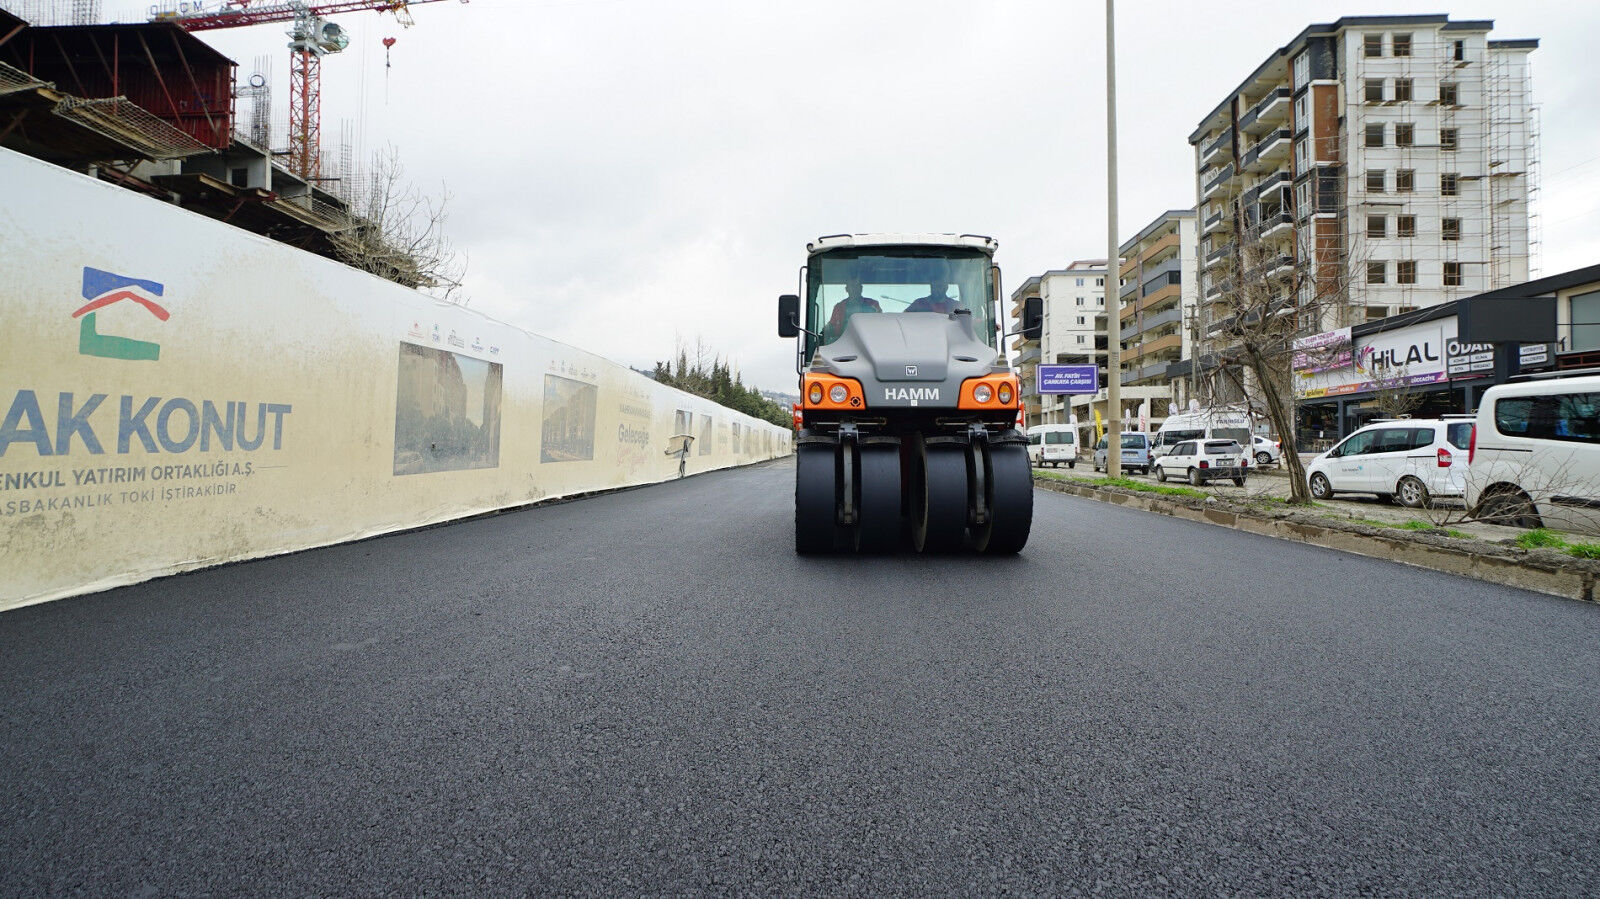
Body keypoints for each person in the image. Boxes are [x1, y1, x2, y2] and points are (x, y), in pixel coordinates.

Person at [824, 275, 881, 341]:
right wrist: (825, 331)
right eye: (852, 286)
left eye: (857, 286)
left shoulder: (873, 304)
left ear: (861, 288)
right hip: (844, 343)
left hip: (869, 341)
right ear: (846, 289)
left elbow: (879, 324)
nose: (855, 289)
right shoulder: (839, 307)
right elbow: (832, 326)